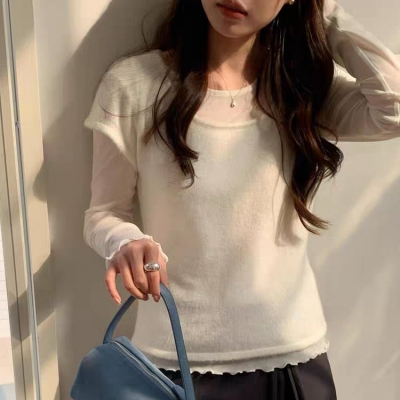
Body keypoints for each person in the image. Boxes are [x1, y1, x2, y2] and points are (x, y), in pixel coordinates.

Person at [82, 0, 400, 398]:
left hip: (293, 363)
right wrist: (125, 242)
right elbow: (104, 212)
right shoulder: (134, 85)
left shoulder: (301, 89)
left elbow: (394, 108)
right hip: (174, 367)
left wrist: (324, 12)